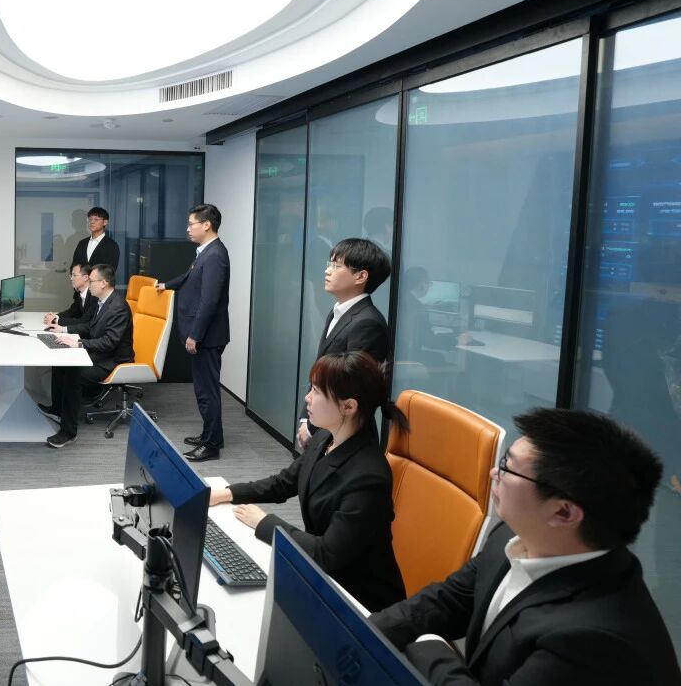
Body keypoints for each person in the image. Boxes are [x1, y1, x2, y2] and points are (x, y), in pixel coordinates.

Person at [371, 408, 680, 685]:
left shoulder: (593, 641)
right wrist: (362, 630)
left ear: (563, 512)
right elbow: (447, 601)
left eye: (507, 467)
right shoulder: (514, 535)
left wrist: (430, 648)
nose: (494, 473)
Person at [210, 351, 407, 611]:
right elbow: (284, 483)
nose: (307, 398)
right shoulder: (325, 439)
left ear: (348, 407)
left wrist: (264, 522)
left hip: (359, 603)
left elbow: (326, 554)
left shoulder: (368, 478)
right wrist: (227, 493)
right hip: (323, 579)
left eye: (316, 391)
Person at [297, 237, 391, 450]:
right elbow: (321, 372)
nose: (327, 271)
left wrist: (311, 427)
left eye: (336, 265)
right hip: (325, 424)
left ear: (361, 276)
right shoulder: (338, 311)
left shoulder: (368, 323)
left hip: (344, 434)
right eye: (329, 264)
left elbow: (349, 387)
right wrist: (306, 418)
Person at [155, 203, 230, 462]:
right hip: (204, 334)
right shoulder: (205, 252)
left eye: (191, 224)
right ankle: (211, 434)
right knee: (203, 390)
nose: (187, 229)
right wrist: (165, 285)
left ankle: (211, 445)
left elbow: (209, 300)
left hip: (207, 337)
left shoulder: (215, 255)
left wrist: (195, 334)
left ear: (206, 225)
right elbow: (189, 277)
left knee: (207, 392)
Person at [43, 264, 133, 448]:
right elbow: (90, 327)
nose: (88, 284)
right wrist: (64, 330)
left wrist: (79, 343)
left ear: (104, 283)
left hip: (112, 360)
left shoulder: (118, 307)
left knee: (73, 374)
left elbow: (109, 342)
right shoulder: (103, 302)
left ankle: (68, 433)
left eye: (91, 281)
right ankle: (58, 410)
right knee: (60, 362)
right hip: (101, 353)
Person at [44, 262, 96, 332]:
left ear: (85, 277)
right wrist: (55, 316)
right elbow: (72, 311)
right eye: (71, 275)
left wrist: (56, 320)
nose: (71, 278)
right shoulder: (79, 293)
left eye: (74, 275)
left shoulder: (94, 296)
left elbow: (83, 321)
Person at [71, 207, 120, 279]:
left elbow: (109, 271)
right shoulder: (82, 243)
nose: (92, 222)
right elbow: (74, 265)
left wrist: (91, 281)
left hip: (99, 285)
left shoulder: (112, 245)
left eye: (96, 219)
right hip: (80, 285)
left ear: (105, 222)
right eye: (90, 219)